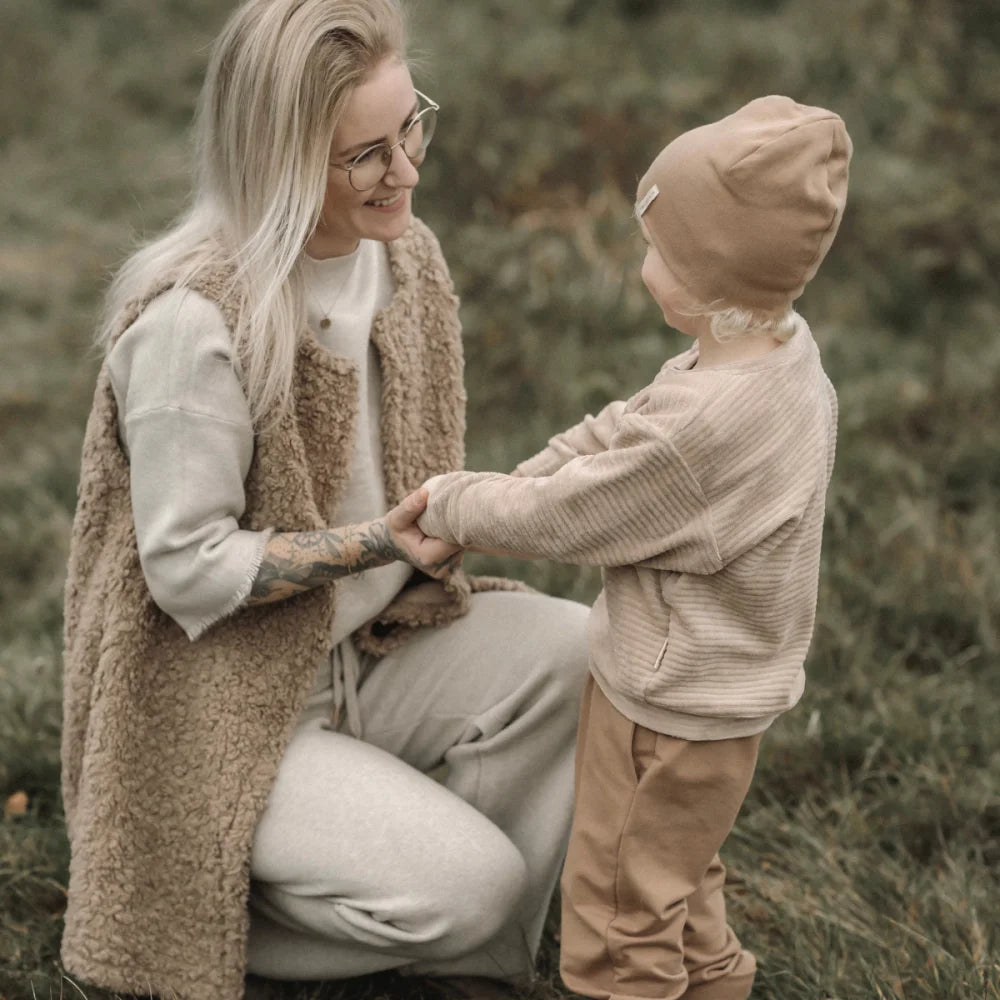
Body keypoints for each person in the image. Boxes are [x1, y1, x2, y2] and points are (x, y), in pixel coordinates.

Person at [60, 2, 589, 999]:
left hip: (370, 649)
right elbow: (183, 571)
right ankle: (178, 920)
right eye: (365, 157)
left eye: (412, 126)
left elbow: (417, 470)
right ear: (281, 158)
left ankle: (473, 967)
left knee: (579, 651)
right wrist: (365, 545)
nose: (409, 172)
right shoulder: (196, 323)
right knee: (473, 881)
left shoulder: (405, 259)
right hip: (224, 700)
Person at [416, 95, 852, 1000]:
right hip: (722, 699)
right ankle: (716, 984)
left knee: (617, 908)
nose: (644, 259)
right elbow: (622, 433)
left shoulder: (704, 439)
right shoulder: (774, 355)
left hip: (662, 703)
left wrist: (457, 503)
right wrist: (527, 473)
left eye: (660, 248)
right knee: (676, 874)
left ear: (714, 276)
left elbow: (574, 515)